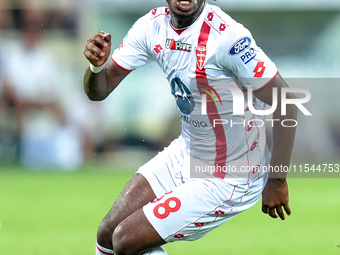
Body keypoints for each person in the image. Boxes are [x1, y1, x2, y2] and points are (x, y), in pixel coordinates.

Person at [83, 1, 297, 254]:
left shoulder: (228, 37)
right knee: (107, 234)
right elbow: (100, 90)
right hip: (187, 151)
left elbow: (286, 102)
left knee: (126, 240)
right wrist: (96, 67)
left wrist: (277, 179)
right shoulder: (151, 27)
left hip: (231, 174)